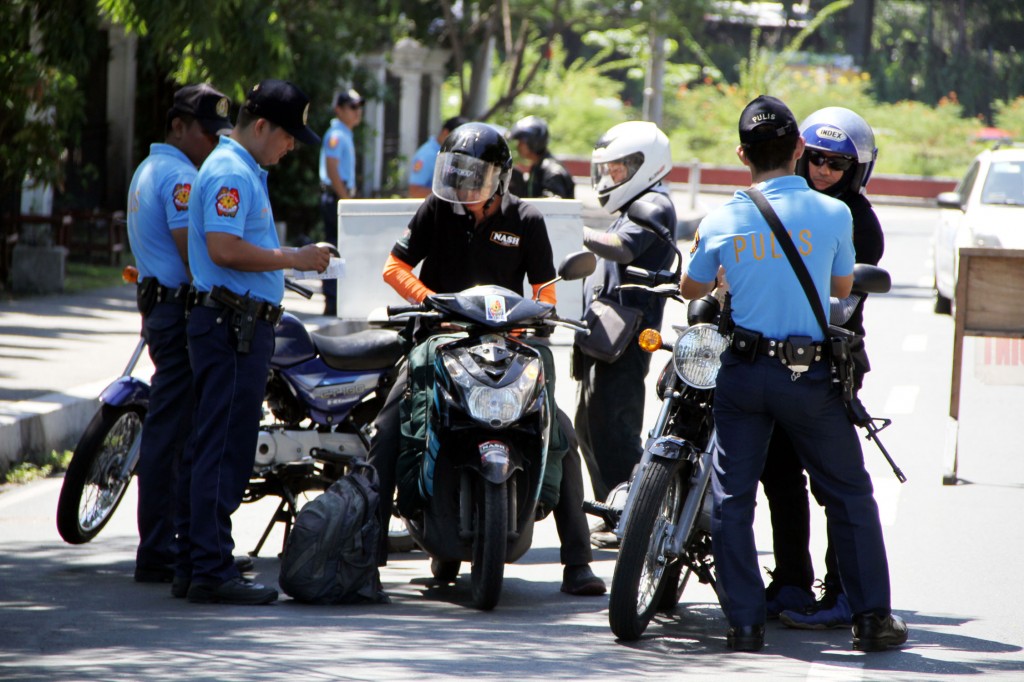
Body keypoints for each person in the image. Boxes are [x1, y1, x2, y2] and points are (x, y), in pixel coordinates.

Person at [680, 94, 906, 652]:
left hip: (742, 374)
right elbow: (840, 287)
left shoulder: (722, 217)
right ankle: (873, 619)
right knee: (849, 494)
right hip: (808, 377)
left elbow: (692, 288)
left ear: (741, 153)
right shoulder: (835, 214)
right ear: (799, 150)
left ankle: (746, 623)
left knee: (734, 497)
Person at [370, 121, 606, 596]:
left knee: (558, 430)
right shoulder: (438, 208)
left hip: (511, 337)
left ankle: (577, 561)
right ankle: (368, 556)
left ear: (500, 177)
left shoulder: (528, 220)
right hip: (441, 336)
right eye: (456, 172)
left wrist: (534, 314)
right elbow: (393, 267)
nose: (463, 184)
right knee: (389, 426)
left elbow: (544, 291)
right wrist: (429, 300)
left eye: (473, 175)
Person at [176, 79, 331, 605]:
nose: (292, 147)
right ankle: (210, 570)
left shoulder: (244, 170)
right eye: (289, 136)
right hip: (230, 326)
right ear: (261, 126)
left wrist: (287, 258)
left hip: (234, 324)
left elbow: (241, 245)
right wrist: (294, 258)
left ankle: (198, 561)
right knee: (223, 449)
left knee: (217, 445)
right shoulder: (229, 171)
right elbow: (223, 248)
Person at [764, 107, 886, 629]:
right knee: (779, 475)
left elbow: (843, 303)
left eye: (836, 164)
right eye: (814, 159)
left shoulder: (859, 223)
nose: (822, 171)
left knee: (833, 482)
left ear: (856, 171)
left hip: (830, 359)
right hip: (772, 355)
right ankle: (791, 579)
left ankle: (841, 592)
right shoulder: (786, 202)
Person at [126, 83, 232, 585]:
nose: (212, 142)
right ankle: (159, 547)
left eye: (218, 134)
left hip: (158, 303)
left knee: (173, 425)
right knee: (174, 431)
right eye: (205, 132)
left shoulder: (150, 169)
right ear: (177, 126)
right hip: (176, 310)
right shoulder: (181, 178)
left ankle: (165, 543)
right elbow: (194, 254)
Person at [573, 121, 676, 545]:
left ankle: (632, 517)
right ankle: (614, 509)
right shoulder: (636, 204)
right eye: (609, 169)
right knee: (588, 424)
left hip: (628, 338)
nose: (611, 176)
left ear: (643, 165)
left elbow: (622, 249)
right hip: (604, 335)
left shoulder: (654, 204)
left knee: (615, 428)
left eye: (619, 168)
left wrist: (572, 231)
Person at [318, 87, 363, 316]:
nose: (358, 111)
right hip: (336, 196)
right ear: (339, 109)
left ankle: (337, 298)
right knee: (335, 248)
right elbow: (333, 168)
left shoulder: (345, 133)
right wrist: (345, 199)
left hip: (340, 195)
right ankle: (332, 300)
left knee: (341, 248)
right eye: (352, 107)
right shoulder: (336, 134)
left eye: (359, 106)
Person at [507, 115, 575, 199]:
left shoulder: (552, 172)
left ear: (533, 142)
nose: (518, 145)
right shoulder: (537, 167)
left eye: (521, 141)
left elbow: (553, 206)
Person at [407, 115, 469, 198]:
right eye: (459, 138)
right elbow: (415, 191)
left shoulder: (448, 152)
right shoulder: (428, 155)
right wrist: (450, 195)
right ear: (446, 132)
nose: (462, 143)